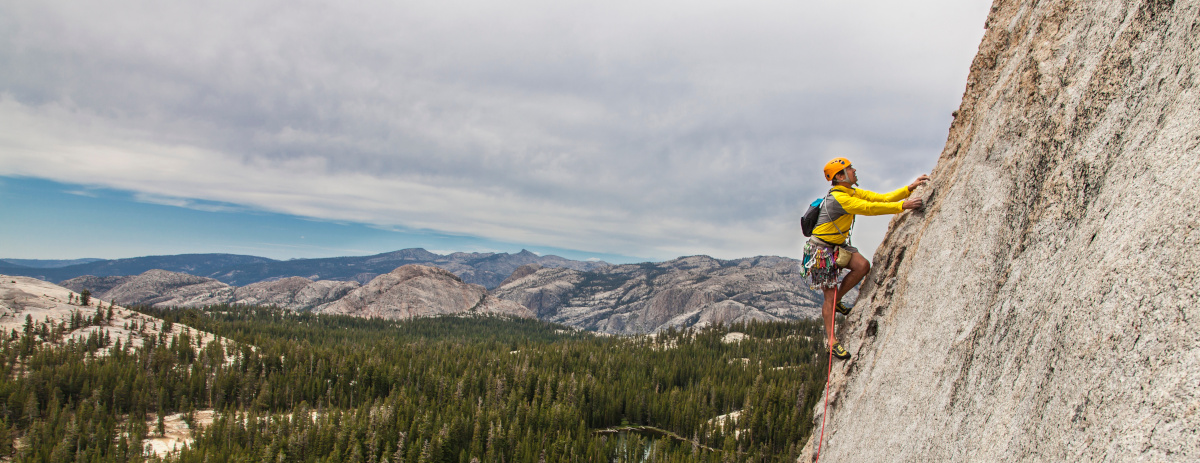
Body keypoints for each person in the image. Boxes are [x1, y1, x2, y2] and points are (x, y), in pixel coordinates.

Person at [803, 157, 929, 360]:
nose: (854, 171)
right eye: (849, 169)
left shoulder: (849, 192)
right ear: (840, 176)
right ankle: (831, 342)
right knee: (829, 295)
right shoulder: (840, 199)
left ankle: (837, 301)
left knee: (862, 266)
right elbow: (869, 208)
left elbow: (876, 198)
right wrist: (902, 206)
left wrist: (908, 189)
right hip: (821, 251)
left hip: (836, 245)